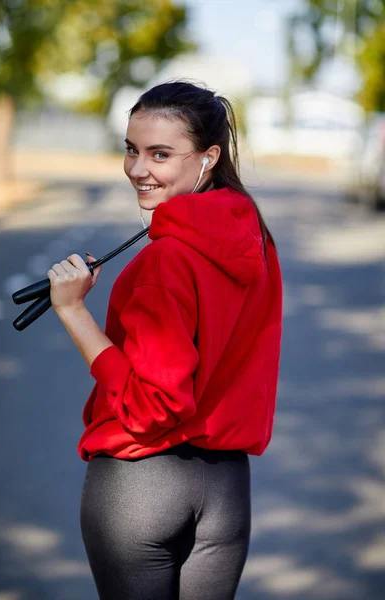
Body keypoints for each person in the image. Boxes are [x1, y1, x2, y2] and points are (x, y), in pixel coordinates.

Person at [47, 80, 283, 600]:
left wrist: (71, 311)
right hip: (225, 490)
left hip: (141, 482)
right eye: (131, 149)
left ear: (208, 157)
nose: (137, 169)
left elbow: (151, 405)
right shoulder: (254, 240)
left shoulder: (166, 259)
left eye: (159, 154)